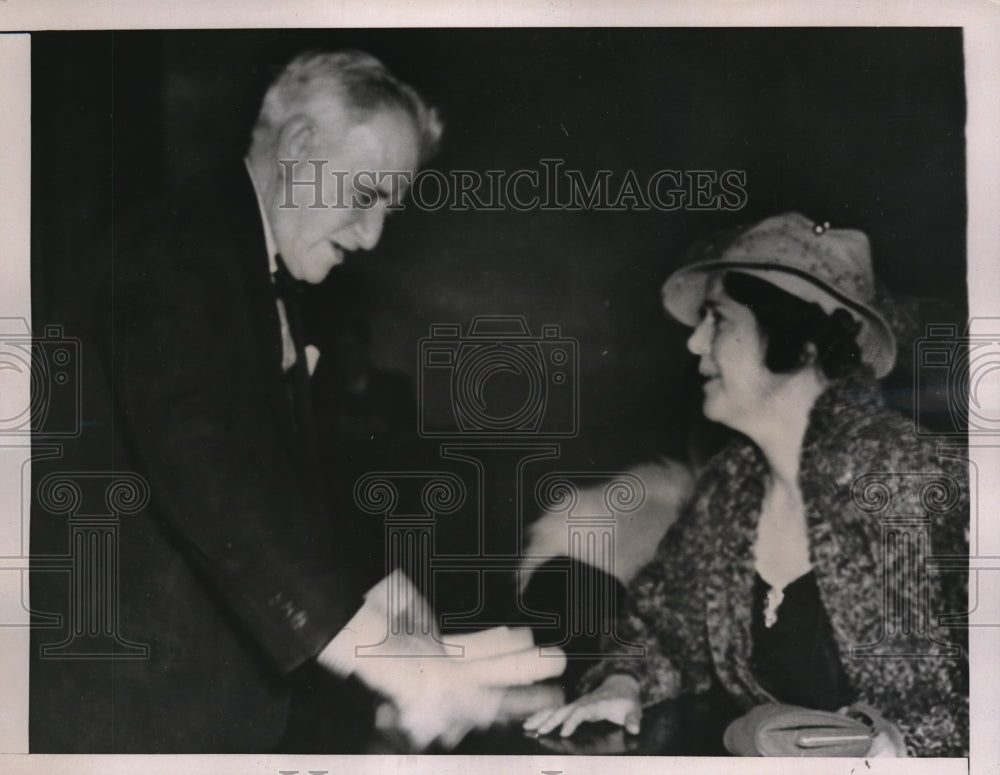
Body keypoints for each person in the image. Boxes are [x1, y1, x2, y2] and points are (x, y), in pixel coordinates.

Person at [31, 49, 503, 753]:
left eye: (389, 209)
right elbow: (211, 469)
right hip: (126, 714)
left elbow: (272, 481)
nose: (373, 236)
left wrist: (374, 587)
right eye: (366, 196)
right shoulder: (179, 251)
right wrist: (386, 658)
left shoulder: (247, 262)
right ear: (301, 146)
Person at [524, 213, 969, 757]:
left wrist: (909, 748)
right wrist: (624, 684)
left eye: (717, 318)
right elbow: (664, 626)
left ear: (798, 339)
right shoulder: (730, 486)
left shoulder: (908, 477)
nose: (693, 344)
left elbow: (967, 693)